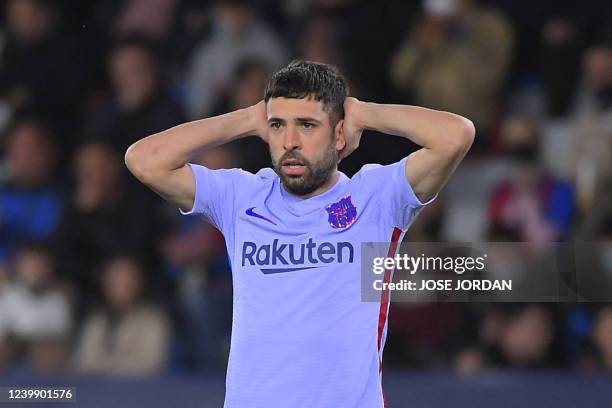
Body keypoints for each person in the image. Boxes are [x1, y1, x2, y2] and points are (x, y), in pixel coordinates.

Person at [125, 60, 474, 407]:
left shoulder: (377, 198)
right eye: (277, 125)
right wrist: (246, 119)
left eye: (307, 125)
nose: (289, 141)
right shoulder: (241, 198)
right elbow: (144, 159)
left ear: (339, 134)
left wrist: (363, 113)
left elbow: (455, 135)